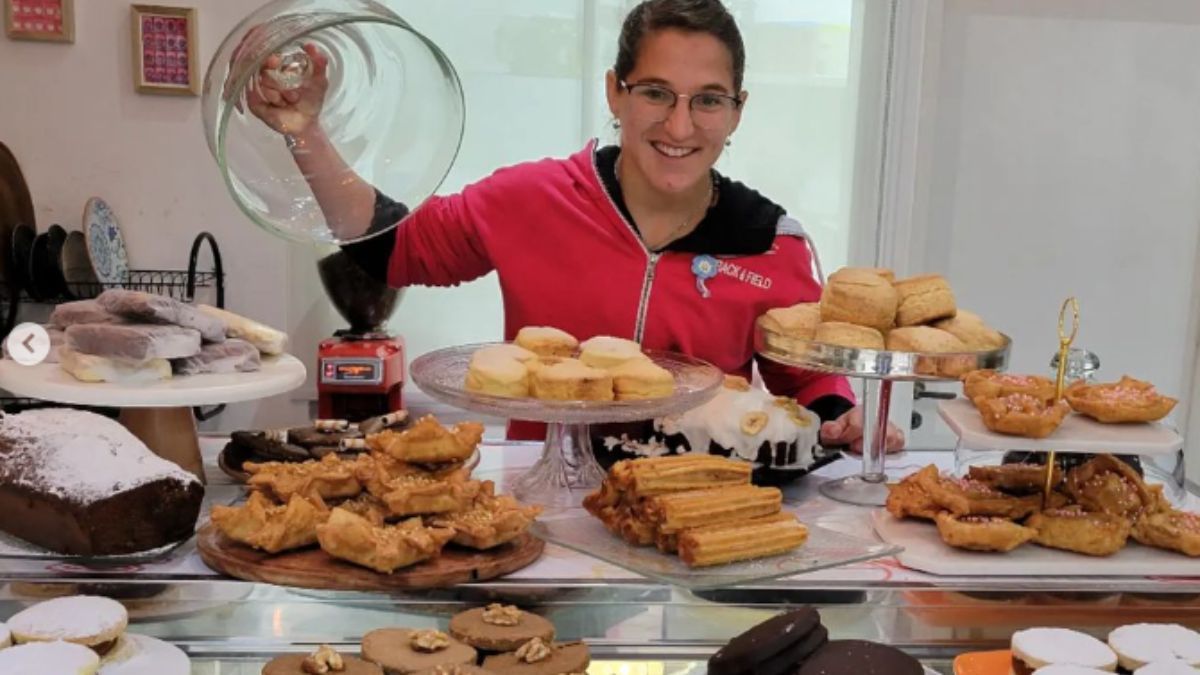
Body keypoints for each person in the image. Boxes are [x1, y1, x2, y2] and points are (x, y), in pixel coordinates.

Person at [246, 0, 905, 454]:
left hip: (704, 508)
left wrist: (837, 419)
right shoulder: (532, 199)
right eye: (654, 93)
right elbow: (396, 249)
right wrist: (307, 133)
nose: (680, 127)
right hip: (550, 521)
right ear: (616, 91)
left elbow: (807, 379)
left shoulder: (772, 241)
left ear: (738, 110)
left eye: (708, 99)